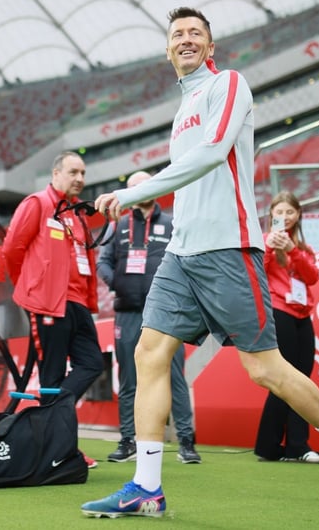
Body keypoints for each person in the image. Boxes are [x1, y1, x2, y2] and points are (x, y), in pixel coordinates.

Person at [82, 7, 319, 518]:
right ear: (168, 51)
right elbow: (188, 171)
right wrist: (152, 188)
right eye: (177, 34)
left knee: (264, 368)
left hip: (227, 249)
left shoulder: (229, 85)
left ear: (210, 46)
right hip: (181, 253)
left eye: (195, 33)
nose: (186, 39)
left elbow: (214, 150)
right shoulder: (181, 110)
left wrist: (139, 191)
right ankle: (146, 486)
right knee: (149, 354)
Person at [1, 150, 105, 467]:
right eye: (73, 172)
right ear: (56, 173)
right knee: (52, 375)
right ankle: (57, 451)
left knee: (92, 364)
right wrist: (32, 287)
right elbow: (11, 250)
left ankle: (55, 436)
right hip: (47, 303)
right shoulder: (37, 204)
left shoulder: (78, 215)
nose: (80, 179)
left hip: (76, 304)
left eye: (83, 173)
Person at [97, 171, 200, 465]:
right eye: (134, 187)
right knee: (128, 377)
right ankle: (128, 439)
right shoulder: (118, 226)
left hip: (167, 312)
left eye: (146, 185)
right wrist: (118, 282)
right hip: (127, 312)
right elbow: (102, 262)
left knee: (175, 376)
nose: (141, 190)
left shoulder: (172, 223)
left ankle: (187, 442)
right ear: (127, 192)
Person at [253, 191, 319, 464]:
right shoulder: (263, 241)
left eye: (289, 212)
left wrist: (293, 251)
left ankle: (295, 446)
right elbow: (258, 272)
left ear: (298, 215)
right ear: (271, 214)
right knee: (284, 379)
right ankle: (273, 445)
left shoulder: (302, 246)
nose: (284, 217)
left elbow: (312, 276)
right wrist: (271, 247)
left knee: (303, 378)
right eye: (279, 212)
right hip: (279, 312)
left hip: (302, 313)